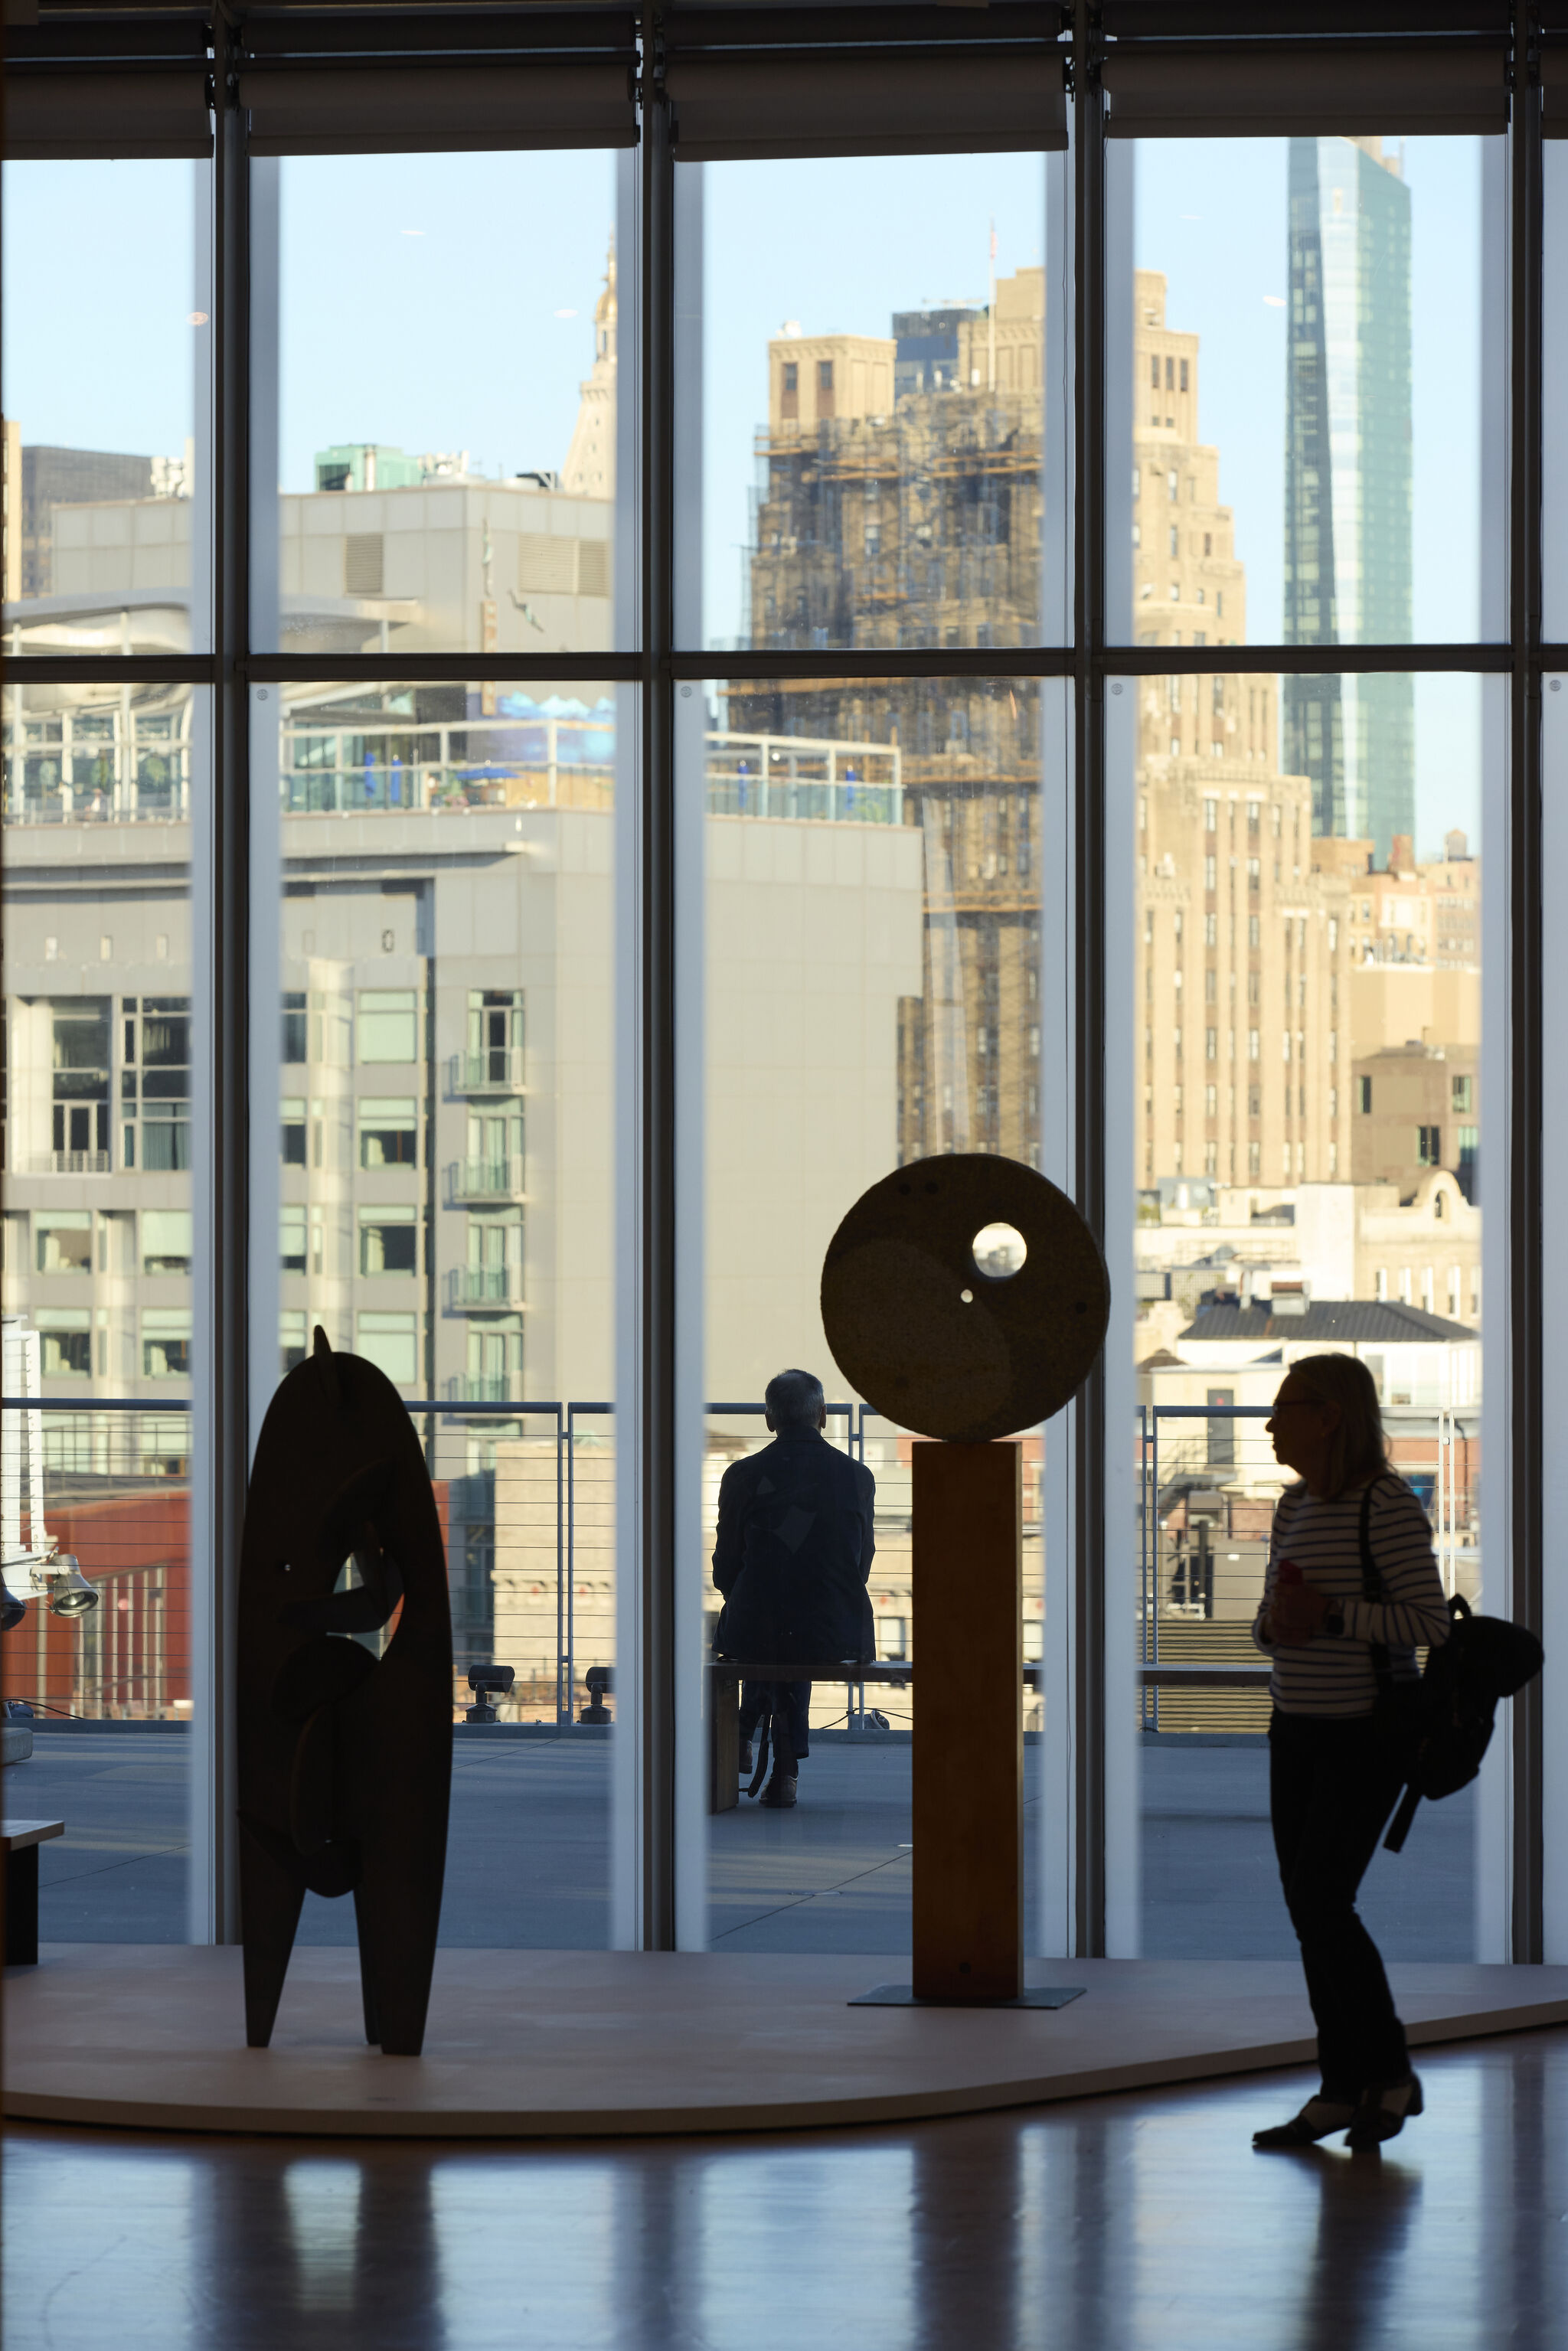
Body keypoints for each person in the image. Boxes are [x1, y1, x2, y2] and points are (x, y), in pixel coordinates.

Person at [1250, 1351, 1451, 2153]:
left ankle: (1388, 2075)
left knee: (1322, 1903)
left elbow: (1428, 1624)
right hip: (1292, 1729)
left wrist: (1329, 1615)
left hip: (1362, 1736)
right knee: (1309, 1910)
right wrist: (1279, 1626)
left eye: (1283, 1406)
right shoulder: (1294, 1503)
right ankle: (1342, 2086)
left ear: (1328, 1415)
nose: (1268, 1423)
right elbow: (1265, 1622)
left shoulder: (1385, 1504)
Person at [711, 1367, 876, 1809]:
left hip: (755, 1627)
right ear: (822, 1415)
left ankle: (747, 1733)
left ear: (769, 1419)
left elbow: (726, 1565)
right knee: (799, 1623)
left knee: (773, 1619)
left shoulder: (742, 1475)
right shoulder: (857, 1476)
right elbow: (861, 1563)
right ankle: (786, 1770)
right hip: (836, 1628)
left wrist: (748, 1595)